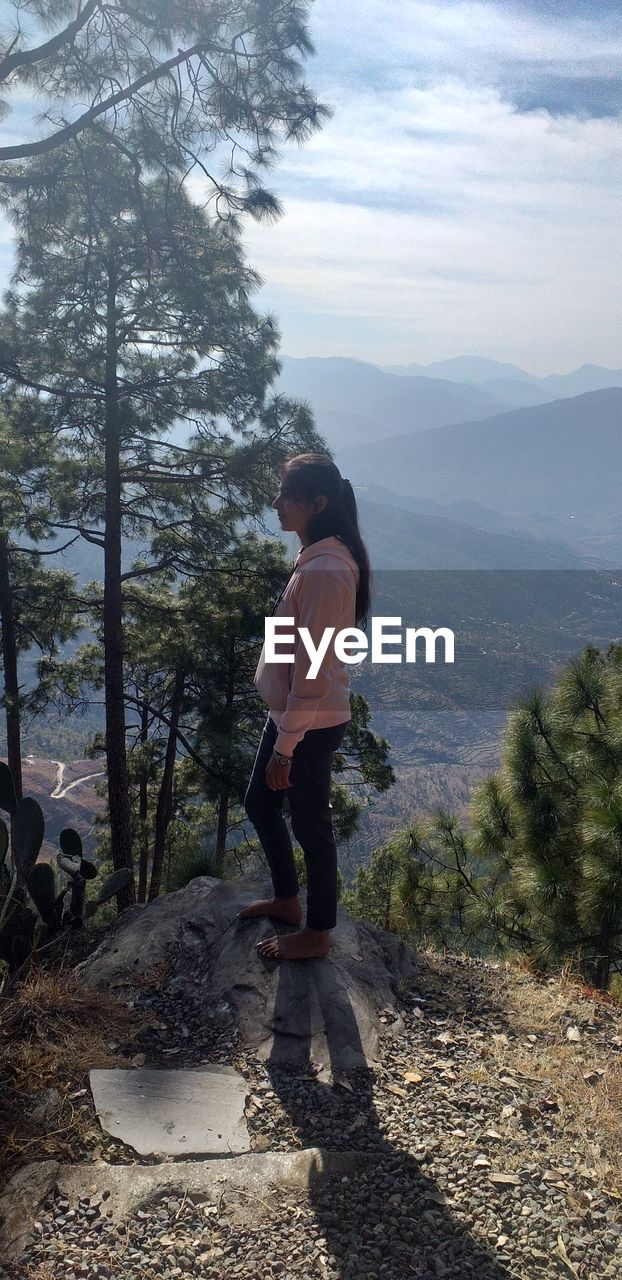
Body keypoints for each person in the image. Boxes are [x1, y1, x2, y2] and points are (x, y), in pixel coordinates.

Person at [240, 453, 372, 961]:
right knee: (260, 803)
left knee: (312, 826)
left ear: (317, 503)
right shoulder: (318, 558)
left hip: (309, 724)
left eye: (285, 495)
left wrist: (285, 749)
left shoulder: (325, 570)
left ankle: (317, 932)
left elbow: (314, 671)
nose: (275, 502)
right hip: (294, 717)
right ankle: (289, 902)